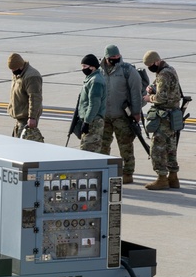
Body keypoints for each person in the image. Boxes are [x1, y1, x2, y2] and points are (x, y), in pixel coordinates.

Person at [99, 44, 144, 184]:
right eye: (113, 57)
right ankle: (102, 170)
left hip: (122, 116)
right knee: (102, 145)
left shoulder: (128, 70)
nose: (116, 59)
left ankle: (128, 173)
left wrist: (136, 112)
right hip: (104, 116)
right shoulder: (99, 71)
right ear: (106, 58)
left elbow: (136, 93)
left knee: (125, 146)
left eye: (118, 56)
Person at [141, 50, 182, 191]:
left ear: (157, 61)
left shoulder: (163, 74)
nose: (150, 67)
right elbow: (166, 89)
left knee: (157, 148)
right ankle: (173, 177)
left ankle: (162, 178)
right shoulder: (169, 69)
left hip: (164, 117)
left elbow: (161, 98)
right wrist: (152, 88)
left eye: (151, 64)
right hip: (173, 116)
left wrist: (149, 98)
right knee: (171, 147)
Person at [6, 53, 44, 142]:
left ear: (20, 66)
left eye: (14, 69)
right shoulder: (18, 74)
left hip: (27, 119)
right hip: (20, 118)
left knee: (23, 144)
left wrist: (32, 117)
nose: (13, 71)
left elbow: (35, 98)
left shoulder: (31, 76)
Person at [77, 54, 106, 152]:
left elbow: (94, 104)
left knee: (88, 150)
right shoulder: (91, 79)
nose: (83, 69)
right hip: (91, 120)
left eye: (85, 66)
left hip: (93, 122)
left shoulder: (95, 81)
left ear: (92, 67)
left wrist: (87, 122)